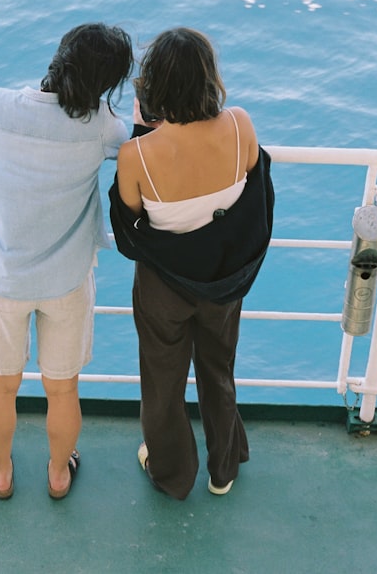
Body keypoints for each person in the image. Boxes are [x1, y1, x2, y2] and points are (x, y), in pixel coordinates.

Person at [0, 23, 133, 500]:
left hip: (0, 276)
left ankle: (3, 472)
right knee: (63, 389)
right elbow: (128, 142)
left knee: (0, 386)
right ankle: (57, 474)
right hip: (66, 281)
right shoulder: (102, 129)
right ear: (105, 83)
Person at [109, 27, 274, 499]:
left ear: (153, 87)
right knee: (218, 368)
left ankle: (172, 473)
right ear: (210, 78)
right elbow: (250, 191)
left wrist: (145, 132)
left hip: (164, 288)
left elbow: (131, 229)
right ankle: (223, 469)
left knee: (163, 381)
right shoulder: (242, 124)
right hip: (225, 281)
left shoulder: (134, 155)